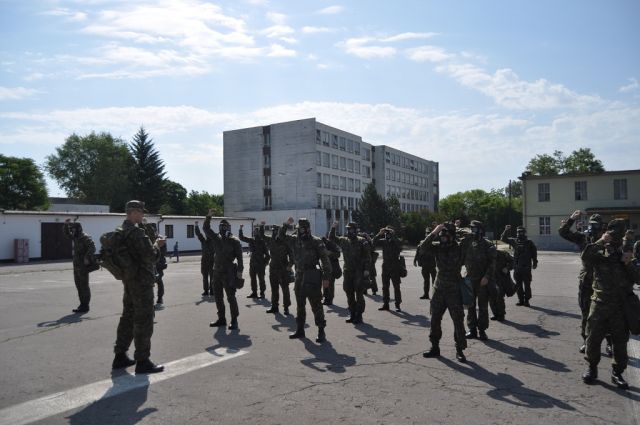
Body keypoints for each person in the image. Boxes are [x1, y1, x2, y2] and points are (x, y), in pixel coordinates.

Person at [581, 219, 639, 389]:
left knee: (620, 343)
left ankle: (617, 373)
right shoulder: (600, 251)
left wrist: (628, 263)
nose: (614, 238)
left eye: (618, 234)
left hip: (620, 307)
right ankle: (592, 368)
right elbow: (585, 257)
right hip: (599, 304)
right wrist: (601, 241)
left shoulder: (628, 253)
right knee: (593, 339)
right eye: (612, 233)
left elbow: (638, 278)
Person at [112, 200, 164, 374]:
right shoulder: (136, 233)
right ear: (133, 212)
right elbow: (151, 256)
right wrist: (157, 244)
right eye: (141, 212)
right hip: (142, 282)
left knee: (127, 317)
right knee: (144, 320)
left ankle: (120, 355)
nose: (143, 215)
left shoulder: (120, 231)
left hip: (129, 280)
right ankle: (142, 361)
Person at [558, 210, 611, 355]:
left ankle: (610, 343)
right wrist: (572, 219)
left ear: (602, 226)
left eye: (597, 225)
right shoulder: (584, 238)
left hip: (604, 282)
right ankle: (586, 340)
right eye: (592, 225)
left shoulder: (608, 239)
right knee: (586, 312)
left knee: (607, 313)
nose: (594, 228)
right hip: (587, 280)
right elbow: (563, 232)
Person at [279, 217, 332, 343]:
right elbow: (281, 236)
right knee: (300, 304)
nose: (299, 231)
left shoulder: (316, 241)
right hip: (299, 276)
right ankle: (300, 329)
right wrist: (286, 224)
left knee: (316, 304)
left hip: (312, 276)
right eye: (298, 229)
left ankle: (321, 331)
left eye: (302, 229)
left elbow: (325, 260)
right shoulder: (294, 240)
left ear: (307, 229)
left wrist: (326, 278)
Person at [422, 222, 467, 362]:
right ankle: (434, 347)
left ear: (452, 236)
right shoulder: (437, 248)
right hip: (439, 289)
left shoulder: (459, 248)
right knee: (435, 319)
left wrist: (457, 228)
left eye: (445, 236)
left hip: (454, 289)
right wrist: (435, 231)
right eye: (441, 236)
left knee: (458, 320)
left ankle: (460, 350)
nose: (442, 238)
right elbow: (423, 247)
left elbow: (471, 237)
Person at [204, 212, 244, 330]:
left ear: (229, 228)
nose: (223, 228)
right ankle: (221, 318)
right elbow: (206, 229)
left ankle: (234, 320)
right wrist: (208, 217)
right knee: (218, 296)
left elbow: (240, 258)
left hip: (229, 272)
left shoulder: (234, 241)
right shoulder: (216, 238)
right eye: (221, 226)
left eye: (225, 226)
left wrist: (239, 273)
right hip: (216, 271)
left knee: (231, 297)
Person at [460, 220, 496, 341]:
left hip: (482, 280)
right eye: (471, 229)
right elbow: (460, 254)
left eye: (474, 229)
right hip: (470, 278)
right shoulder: (467, 242)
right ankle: (472, 329)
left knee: (482, 307)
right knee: (470, 305)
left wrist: (487, 277)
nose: (472, 231)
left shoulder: (487, 244)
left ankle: (482, 330)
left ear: (480, 230)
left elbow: (492, 263)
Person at [329, 221, 371, 324]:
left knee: (359, 294)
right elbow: (332, 238)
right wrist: (333, 228)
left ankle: (359, 315)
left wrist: (366, 270)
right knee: (349, 292)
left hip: (358, 271)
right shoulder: (344, 240)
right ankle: (352, 313)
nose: (349, 231)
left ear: (355, 230)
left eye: (351, 229)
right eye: (348, 229)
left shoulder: (362, 241)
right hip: (347, 271)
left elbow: (367, 257)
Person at [63, 219, 97, 314]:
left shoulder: (85, 237)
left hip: (83, 266)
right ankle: (82, 304)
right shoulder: (76, 237)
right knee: (78, 285)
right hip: (76, 265)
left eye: (73, 229)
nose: (72, 231)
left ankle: (85, 305)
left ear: (78, 229)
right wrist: (66, 225)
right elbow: (67, 235)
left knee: (84, 286)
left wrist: (87, 257)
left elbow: (92, 247)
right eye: (72, 229)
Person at [501, 225, 537, 307]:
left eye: (521, 232)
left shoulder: (529, 242)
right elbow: (503, 239)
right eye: (518, 232)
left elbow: (534, 253)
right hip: (517, 268)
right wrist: (506, 230)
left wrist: (535, 262)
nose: (519, 234)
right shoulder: (515, 241)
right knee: (518, 285)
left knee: (527, 285)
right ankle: (521, 300)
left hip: (526, 268)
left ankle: (527, 300)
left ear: (524, 233)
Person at [263, 224, 294, 315]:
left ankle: (286, 307)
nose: (273, 232)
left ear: (279, 232)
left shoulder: (285, 242)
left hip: (283, 269)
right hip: (273, 268)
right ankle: (274, 306)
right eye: (273, 231)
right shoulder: (271, 240)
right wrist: (261, 226)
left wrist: (290, 265)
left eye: (275, 231)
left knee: (285, 289)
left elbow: (292, 255)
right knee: (274, 289)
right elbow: (262, 236)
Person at [373, 226, 403, 312]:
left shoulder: (396, 240)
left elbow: (400, 247)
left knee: (396, 287)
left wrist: (393, 235)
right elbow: (373, 243)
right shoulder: (384, 241)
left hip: (395, 266)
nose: (387, 234)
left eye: (389, 232)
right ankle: (386, 304)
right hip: (385, 266)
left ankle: (397, 305)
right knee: (385, 287)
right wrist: (379, 234)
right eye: (386, 232)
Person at [239, 224, 270, 299]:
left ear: (259, 233)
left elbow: (267, 255)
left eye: (256, 231)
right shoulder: (251, 240)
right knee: (253, 278)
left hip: (260, 263)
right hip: (253, 263)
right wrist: (240, 229)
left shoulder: (262, 242)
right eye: (254, 231)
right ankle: (254, 292)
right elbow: (241, 238)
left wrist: (265, 263)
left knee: (261, 279)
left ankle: (262, 293)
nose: (255, 232)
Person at [142, 221, 167, 309]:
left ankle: (160, 298)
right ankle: (150, 301)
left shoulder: (160, 239)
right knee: (151, 282)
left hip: (159, 264)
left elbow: (163, 252)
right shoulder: (148, 239)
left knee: (158, 281)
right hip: (151, 264)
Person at [489, 249, 514, 322]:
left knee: (499, 297)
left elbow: (513, 261)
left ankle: (501, 315)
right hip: (490, 279)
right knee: (491, 297)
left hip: (501, 279)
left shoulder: (503, 254)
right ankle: (495, 314)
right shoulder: (486, 254)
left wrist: (507, 268)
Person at [415, 226, 437, 300]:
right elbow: (418, 252)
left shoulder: (434, 244)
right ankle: (426, 294)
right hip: (424, 265)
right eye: (427, 233)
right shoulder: (422, 243)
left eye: (429, 233)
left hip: (432, 265)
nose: (427, 234)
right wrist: (415, 260)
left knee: (434, 281)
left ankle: (435, 295)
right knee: (426, 280)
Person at [195, 221, 215, 297]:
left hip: (212, 261)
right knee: (205, 277)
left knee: (212, 277)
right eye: (206, 234)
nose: (207, 235)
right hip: (204, 262)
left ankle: (212, 290)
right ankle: (206, 290)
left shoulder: (214, 241)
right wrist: (196, 226)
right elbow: (198, 234)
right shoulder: (203, 241)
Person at [321, 236, 341, 306]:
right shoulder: (320, 245)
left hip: (332, 267)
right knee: (325, 283)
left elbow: (338, 254)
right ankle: (326, 298)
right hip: (325, 267)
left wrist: (330, 253)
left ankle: (330, 299)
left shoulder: (332, 244)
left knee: (330, 284)